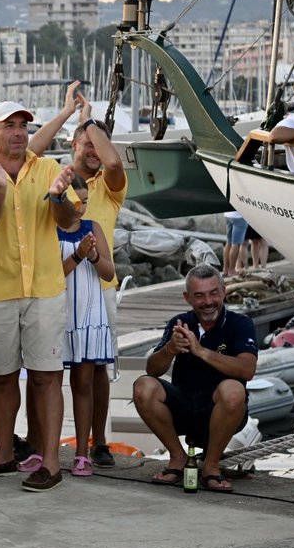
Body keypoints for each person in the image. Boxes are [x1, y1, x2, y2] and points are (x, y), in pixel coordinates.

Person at [0, 101, 78, 493]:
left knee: (47, 377)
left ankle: (50, 463)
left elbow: (69, 222)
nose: (17, 132)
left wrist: (60, 196)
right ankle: (3, 456)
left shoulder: (48, 168)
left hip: (44, 288)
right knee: (1, 376)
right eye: (8, 125)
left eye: (22, 125)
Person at [29, 87, 128, 468]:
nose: (93, 151)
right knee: (46, 366)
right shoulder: (55, 175)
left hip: (98, 288)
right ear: (73, 142)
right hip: (54, 284)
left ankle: (98, 441)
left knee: (96, 368)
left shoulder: (109, 184)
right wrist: (70, 112)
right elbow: (30, 153)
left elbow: (114, 162)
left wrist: (90, 121)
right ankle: (40, 443)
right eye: (86, 143)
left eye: (97, 144)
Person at [133, 265, 257, 493]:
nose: (208, 301)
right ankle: (177, 458)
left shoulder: (241, 324)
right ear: (187, 297)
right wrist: (169, 350)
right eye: (199, 295)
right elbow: (153, 370)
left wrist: (201, 351)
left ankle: (211, 466)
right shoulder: (179, 322)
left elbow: (247, 370)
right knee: (143, 386)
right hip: (183, 407)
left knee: (233, 390)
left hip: (221, 411)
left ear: (224, 291)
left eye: (213, 293)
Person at [56, 175, 116, 477]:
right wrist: (78, 256)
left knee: (83, 384)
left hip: (89, 316)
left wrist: (92, 255)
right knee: (48, 384)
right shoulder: (48, 229)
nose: (81, 209)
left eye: (86, 202)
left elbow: (108, 273)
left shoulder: (94, 228)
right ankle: (44, 449)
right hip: (58, 316)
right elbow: (53, 275)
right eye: (76, 202)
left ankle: (82, 452)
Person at [222, 211, 248, 277]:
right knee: (235, 244)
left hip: (228, 215)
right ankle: (231, 271)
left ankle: (225, 270)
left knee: (228, 242)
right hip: (239, 216)